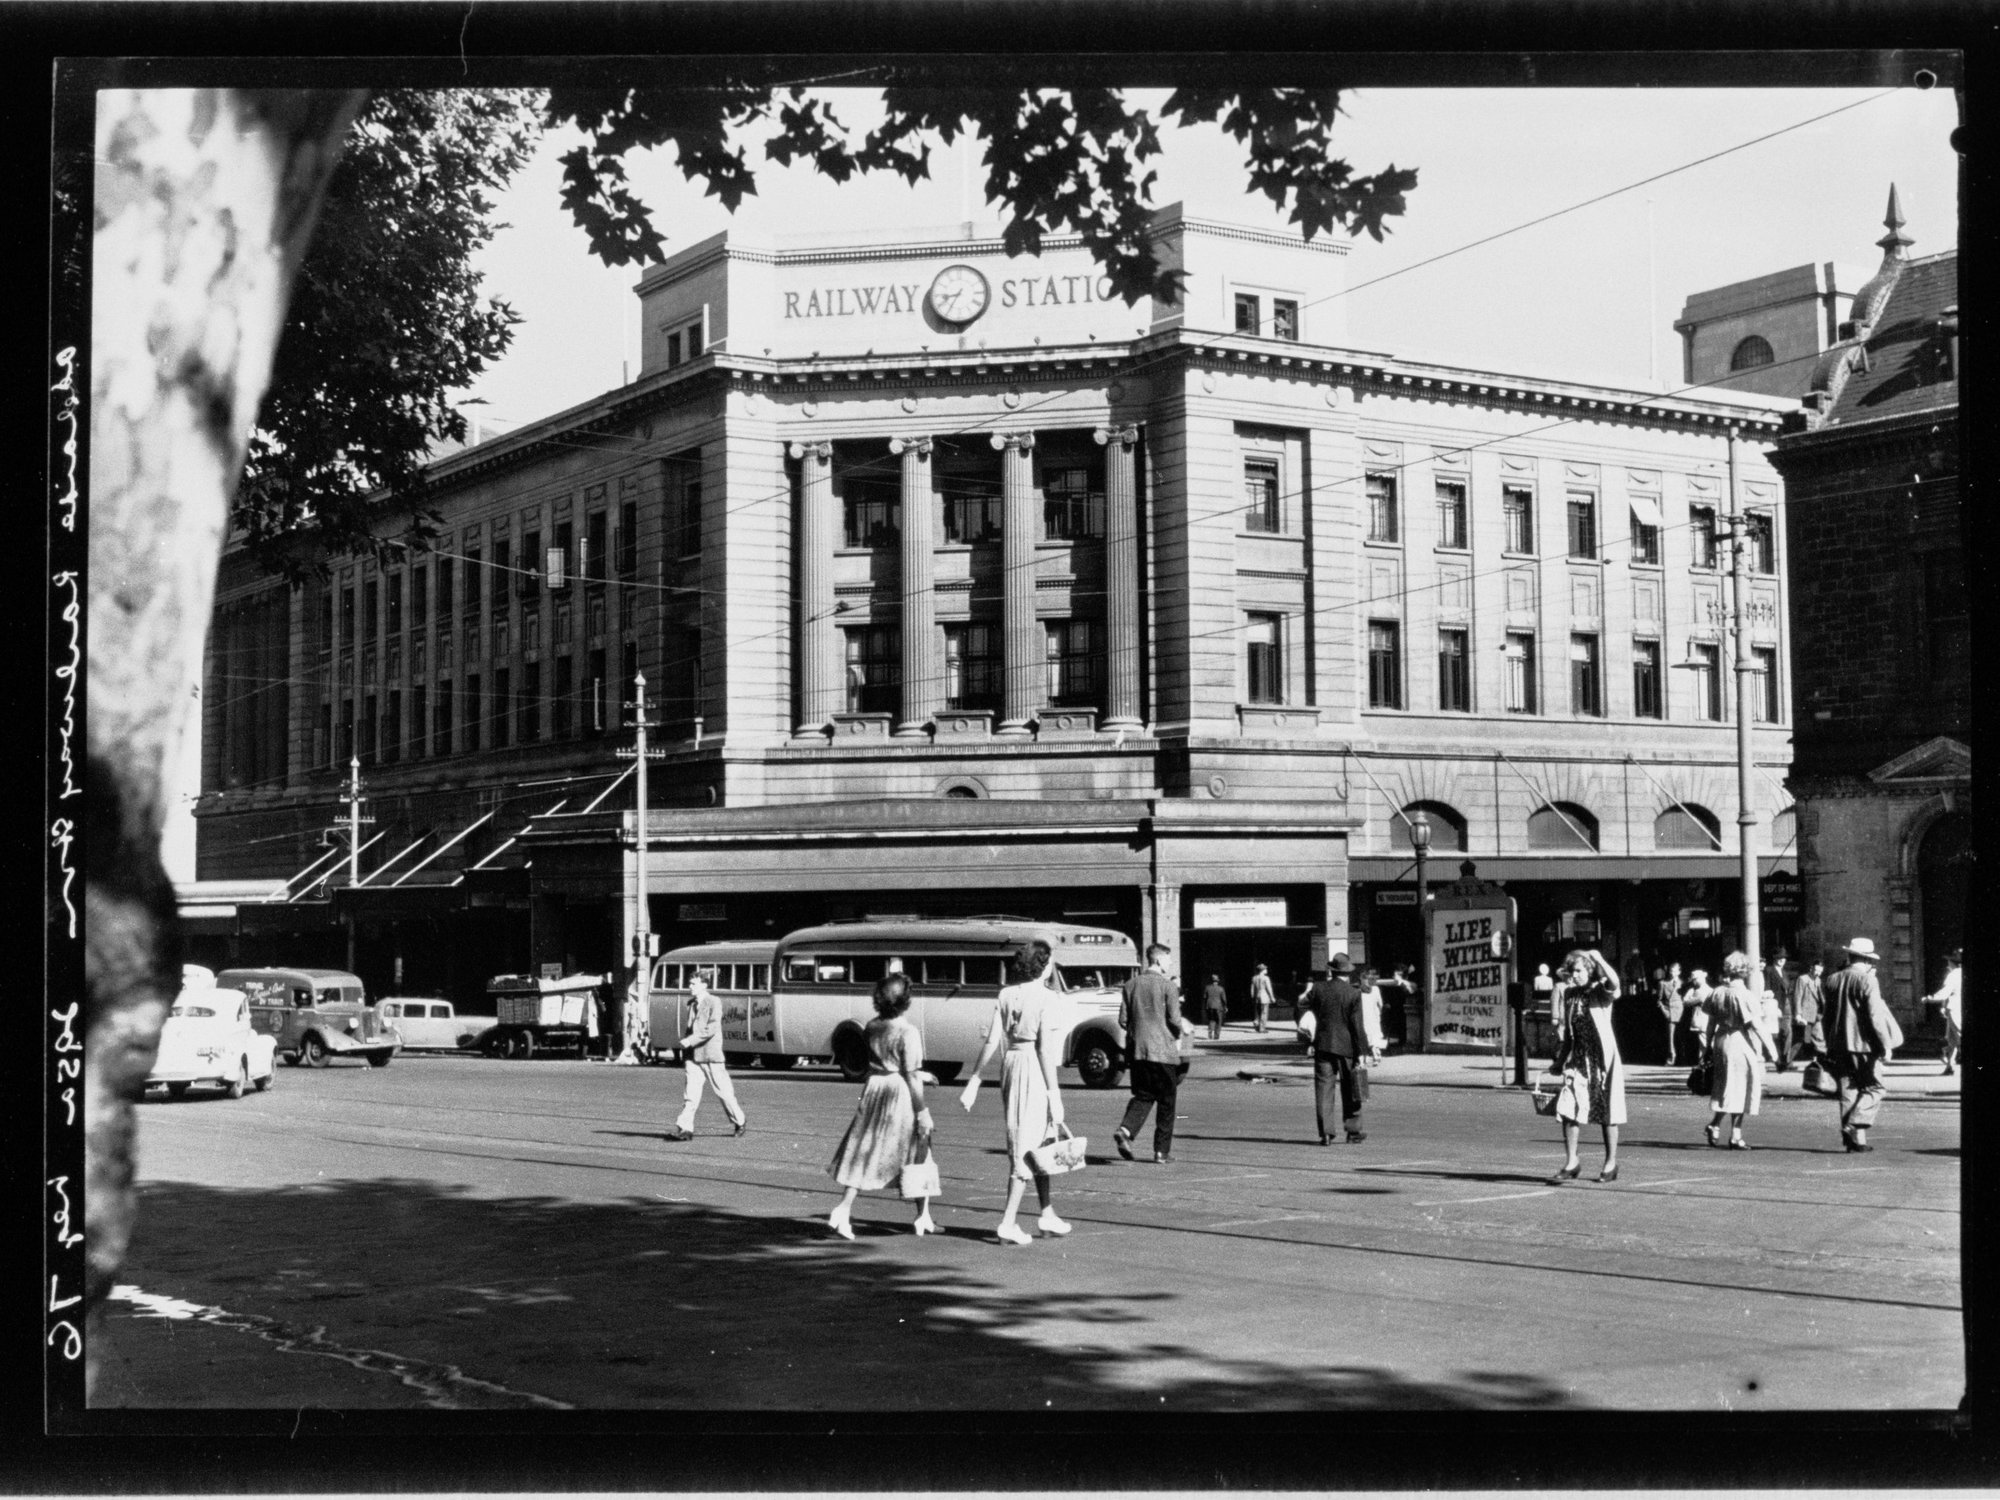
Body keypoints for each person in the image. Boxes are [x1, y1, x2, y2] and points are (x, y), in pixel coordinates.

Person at [960, 940, 1071, 1243]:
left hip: (1011, 1064)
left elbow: (992, 1040)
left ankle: (1047, 1214)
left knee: (1040, 1139)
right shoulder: (1047, 998)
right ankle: (1008, 1222)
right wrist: (1054, 1094)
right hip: (1032, 1068)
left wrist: (975, 1079)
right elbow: (1045, 1051)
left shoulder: (1006, 994)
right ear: (1044, 966)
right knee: (1026, 1142)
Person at [826, 972, 937, 1238]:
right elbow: (908, 1074)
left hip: (875, 1088)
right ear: (906, 1001)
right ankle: (921, 1216)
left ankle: (922, 1215)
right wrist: (922, 1111)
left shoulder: (872, 1026)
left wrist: (916, 1074)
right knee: (919, 1148)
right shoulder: (908, 1032)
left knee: (864, 1150)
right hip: (898, 1095)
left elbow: (886, 1063)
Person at [1548, 948, 1624, 1184]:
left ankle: (1610, 1163)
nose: (1575, 975)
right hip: (1579, 1060)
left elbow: (1615, 982)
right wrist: (1560, 1061)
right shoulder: (1570, 994)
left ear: (1589, 970)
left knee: (1607, 1112)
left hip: (1603, 1061)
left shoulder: (1600, 992)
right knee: (1568, 1108)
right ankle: (1572, 1162)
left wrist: (1600, 958)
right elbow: (1570, 1034)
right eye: (1572, 971)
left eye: (1579, 970)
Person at [1823, 936, 1902, 1153]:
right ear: (1867, 960)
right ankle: (1853, 1124)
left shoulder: (1832, 979)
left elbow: (1827, 1016)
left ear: (1849, 956)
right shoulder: (1868, 981)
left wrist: (1826, 1042)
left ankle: (1854, 1141)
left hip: (1838, 1043)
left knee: (1849, 1089)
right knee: (1875, 1087)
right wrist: (1886, 1044)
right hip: (1864, 1044)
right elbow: (1875, 1015)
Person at [1115, 943, 1185, 1164]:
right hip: (1162, 1051)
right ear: (1158, 960)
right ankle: (1161, 1152)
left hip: (1137, 1051)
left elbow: (1123, 1020)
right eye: (1168, 959)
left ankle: (1126, 1130)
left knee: (1144, 1095)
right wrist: (1177, 1033)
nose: (1170, 963)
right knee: (1167, 1101)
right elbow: (1174, 1020)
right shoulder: (1168, 987)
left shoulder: (1130, 985)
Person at [665, 969, 747, 1142]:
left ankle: (739, 1121)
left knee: (723, 1092)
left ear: (704, 984)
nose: (690, 987)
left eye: (693, 983)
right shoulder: (692, 1003)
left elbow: (711, 1028)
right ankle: (685, 1129)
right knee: (691, 1095)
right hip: (692, 1057)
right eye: (690, 983)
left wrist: (690, 1040)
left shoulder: (713, 1002)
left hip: (710, 1055)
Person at [1700, 951, 1769, 1150]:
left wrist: (1707, 1047)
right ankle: (1735, 1135)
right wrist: (1774, 1053)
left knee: (1727, 1088)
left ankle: (1715, 1125)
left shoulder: (1717, 992)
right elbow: (1757, 1026)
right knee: (1741, 1088)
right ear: (1745, 971)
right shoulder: (1745, 995)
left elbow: (1710, 1023)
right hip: (1740, 1042)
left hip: (1721, 1041)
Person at [1302, 954, 1368, 1145]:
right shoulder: (1353, 993)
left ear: (1332, 970)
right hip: (1346, 1047)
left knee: (1323, 1089)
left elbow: (1305, 1007)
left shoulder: (1318, 989)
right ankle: (1353, 1131)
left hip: (1323, 1045)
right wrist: (1362, 1051)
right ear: (1347, 973)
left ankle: (1326, 1133)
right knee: (1351, 1089)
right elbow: (1357, 1025)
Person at [1927, 948, 1962, 1075]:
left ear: (1953, 963)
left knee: (1959, 1038)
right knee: (1952, 1040)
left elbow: (1946, 992)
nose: (1947, 964)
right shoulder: (1960, 973)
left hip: (1954, 1009)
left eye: (1949, 961)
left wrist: (1930, 999)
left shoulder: (1953, 974)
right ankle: (1949, 1066)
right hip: (1954, 1008)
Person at [1791, 960, 1826, 1072]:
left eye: (1820, 971)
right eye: (1816, 970)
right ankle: (1786, 1060)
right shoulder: (1803, 979)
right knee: (1804, 1040)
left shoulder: (1818, 980)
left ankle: (1818, 1060)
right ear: (1811, 968)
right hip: (1806, 1015)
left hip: (1816, 1015)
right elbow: (1798, 997)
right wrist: (1798, 1014)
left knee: (1816, 1037)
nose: (1817, 973)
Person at [1764, 949, 1794, 1072]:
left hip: (1786, 1004)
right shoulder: (1769, 971)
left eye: (1784, 958)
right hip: (1775, 1005)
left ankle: (1786, 1059)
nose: (1782, 960)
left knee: (1787, 1032)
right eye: (1779, 958)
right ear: (1775, 959)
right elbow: (1767, 988)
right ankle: (1777, 1060)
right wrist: (1774, 1006)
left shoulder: (1784, 972)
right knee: (1775, 1034)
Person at [1356, 966, 1387, 1063]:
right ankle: (1374, 1053)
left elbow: (1380, 1004)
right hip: (1369, 1016)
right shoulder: (1372, 990)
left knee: (1370, 1035)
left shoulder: (1361, 990)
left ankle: (1372, 1053)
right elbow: (1380, 1004)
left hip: (1368, 1016)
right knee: (1372, 1035)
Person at [1655, 967, 1684, 1066]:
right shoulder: (1663, 983)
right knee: (1670, 1036)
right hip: (1669, 1012)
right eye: (1671, 971)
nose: (1673, 973)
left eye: (1675, 971)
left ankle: (1682, 1058)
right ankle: (1672, 1057)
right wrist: (1665, 1012)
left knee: (1680, 1035)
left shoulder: (1683, 983)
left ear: (1679, 972)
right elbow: (1659, 1001)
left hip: (1681, 1011)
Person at [1249, 963, 1276, 1033]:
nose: (1267, 970)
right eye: (1265, 969)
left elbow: (1252, 989)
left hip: (1256, 997)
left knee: (1258, 1013)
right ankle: (1262, 1028)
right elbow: (1269, 988)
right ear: (1263, 970)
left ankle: (1257, 1026)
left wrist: (1252, 997)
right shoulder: (1266, 978)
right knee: (1264, 1013)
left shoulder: (1254, 978)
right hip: (1264, 997)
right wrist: (1272, 997)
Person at [1201, 973, 1228, 1040]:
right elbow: (1224, 999)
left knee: (1211, 1020)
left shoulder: (1207, 988)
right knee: (1218, 1021)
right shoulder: (1221, 989)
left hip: (1209, 1006)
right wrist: (1225, 1006)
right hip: (1218, 1006)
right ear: (1218, 981)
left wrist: (1205, 1006)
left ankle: (1210, 1035)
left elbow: (1204, 997)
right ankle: (1216, 1036)